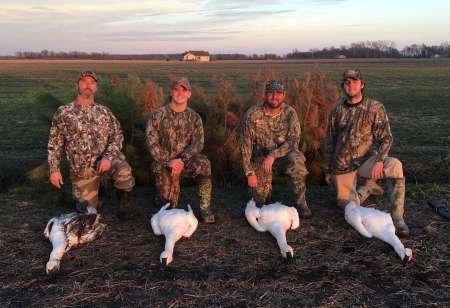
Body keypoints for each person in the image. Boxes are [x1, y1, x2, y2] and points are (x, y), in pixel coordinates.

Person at [322, 69, 409, 237]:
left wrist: (379, 160)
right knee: (349, 210)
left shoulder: (375, 107)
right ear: (343, 86)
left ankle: (397, 217)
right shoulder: (336, 110)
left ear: (362, 85)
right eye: (347, 82)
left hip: (367, 162)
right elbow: (329, 142)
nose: (351, 85)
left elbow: (386, 137)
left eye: (355, 82)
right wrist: (327, 170)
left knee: (395, 165)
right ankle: (366, 189)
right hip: (342, 166)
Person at [48, 71, 135, 219]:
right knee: (87, 213)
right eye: (84, 81)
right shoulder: (64, 112)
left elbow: (118, 135)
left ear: (96, 88)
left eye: (92, 82)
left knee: (123, 170)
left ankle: (124, 204)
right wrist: (54, 169)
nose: (88, 85)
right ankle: (98, 192)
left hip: (105, 162)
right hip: (82, 169)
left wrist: (108, 157)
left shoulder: (104, 112)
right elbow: (55, 142)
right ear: (77, 86)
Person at [146, 77, 215, 223]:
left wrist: (182, 160)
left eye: (184, 90)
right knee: (169, 207)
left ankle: (205, 207)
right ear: (171, 92)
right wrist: (169, 161)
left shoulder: (194, 117)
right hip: (164, 163)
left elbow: (198, 144)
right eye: (176, 89)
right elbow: (152, 144)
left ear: (189, 94)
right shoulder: (157, 115)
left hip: (186, 162)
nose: (180, 93)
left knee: (204, 163)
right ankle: (162, 196)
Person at [240, 80, 311, 218]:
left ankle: (301, 203)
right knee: (260, 205)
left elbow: (293, 141)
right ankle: (264, 194)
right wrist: (249, 173)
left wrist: (273, 155)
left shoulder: (290, 113)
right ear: (265, 95)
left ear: (283, 95)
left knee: (296, 160)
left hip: (283, 156)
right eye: (271, 93)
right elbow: (245, 146)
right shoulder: (252, 114)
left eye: (278, 93)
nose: (275, 96)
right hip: (260, 159)